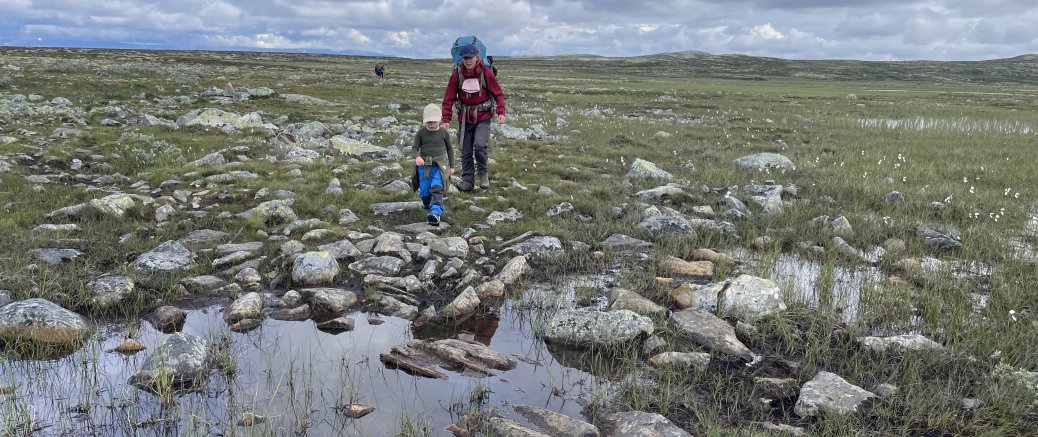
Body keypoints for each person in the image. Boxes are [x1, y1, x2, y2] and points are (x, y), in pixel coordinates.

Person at [441, 43, 506, 191]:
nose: (468, 61)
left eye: (470, 58)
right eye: (465, 58)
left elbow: (498, 94)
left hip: (483, 116)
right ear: (461, 59)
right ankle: (467, 181)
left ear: (477, 57)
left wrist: (501, 112)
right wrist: (446, 118)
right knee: (465, 149)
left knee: (480, 145)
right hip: (464, 118)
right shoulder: (456, 75)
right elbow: (448, 98)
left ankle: (483, 175)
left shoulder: (486, 73)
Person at [412, 103, 456, 226]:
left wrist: (452, 166)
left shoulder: (444, 132)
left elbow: (450, 150)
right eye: (429, 122)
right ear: (424, 121)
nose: (431, 125)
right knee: (425, 190)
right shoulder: (421, 133)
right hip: (424, 166)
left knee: (437, 187)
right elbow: (415, 148)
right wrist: (417, 157)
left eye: (434, 122)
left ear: (440, 120)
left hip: (440, 165)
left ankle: (436, 213)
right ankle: (428, 207)